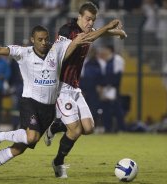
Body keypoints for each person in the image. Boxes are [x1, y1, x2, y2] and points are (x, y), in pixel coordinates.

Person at [0, 21, 124, 178]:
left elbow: (84, 38)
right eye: (39, 39)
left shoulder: (57, 49)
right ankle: (0, 135)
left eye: (46, 39)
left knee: (18, 150)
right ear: (32, 40)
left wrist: (112, 31)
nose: (44, 42)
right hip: (30, 102)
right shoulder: (23, 53)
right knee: (32, 138)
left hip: (48, 109)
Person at [43, 2, 127, 178]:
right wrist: (108, 26)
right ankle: (58, 162)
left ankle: (56, 125)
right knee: (75, 130)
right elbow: (80, 43)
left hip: (75, 87)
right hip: (61, 87)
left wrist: (115, 32)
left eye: (93, 20)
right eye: (88, 19)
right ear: (79, 16)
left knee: (88, 128)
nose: (90, 23)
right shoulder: (67, 30)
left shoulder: (88, 30)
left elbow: (94, 33)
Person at [96, 45, 126, 132]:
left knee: (116, 108)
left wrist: (110, 86)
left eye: (105, 49)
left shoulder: (117, 59)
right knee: (106, 108)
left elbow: (118, 75)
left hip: (113, 88)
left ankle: (121, 128)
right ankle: (107, 128)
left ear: (110, 50)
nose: (103, 51)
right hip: (105, 88)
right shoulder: (104, 61)